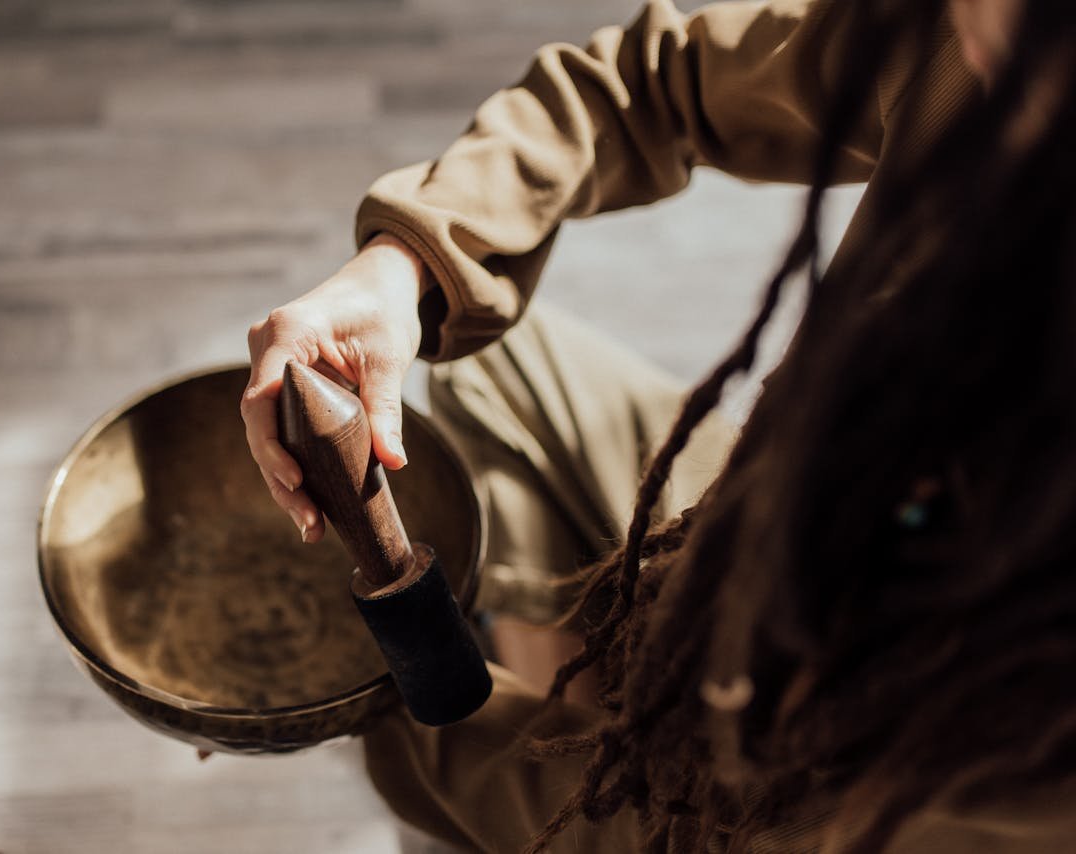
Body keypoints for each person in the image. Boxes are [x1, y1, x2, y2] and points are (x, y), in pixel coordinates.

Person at [242, 0, 1076, 850]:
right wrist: (408, 259)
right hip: (778, 536)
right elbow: (655, 79)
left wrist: (400, 721)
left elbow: (718, 840)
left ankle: (588, 768)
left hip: (810, 785)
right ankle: (601, 722)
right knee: (497, 371)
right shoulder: (976, 47)